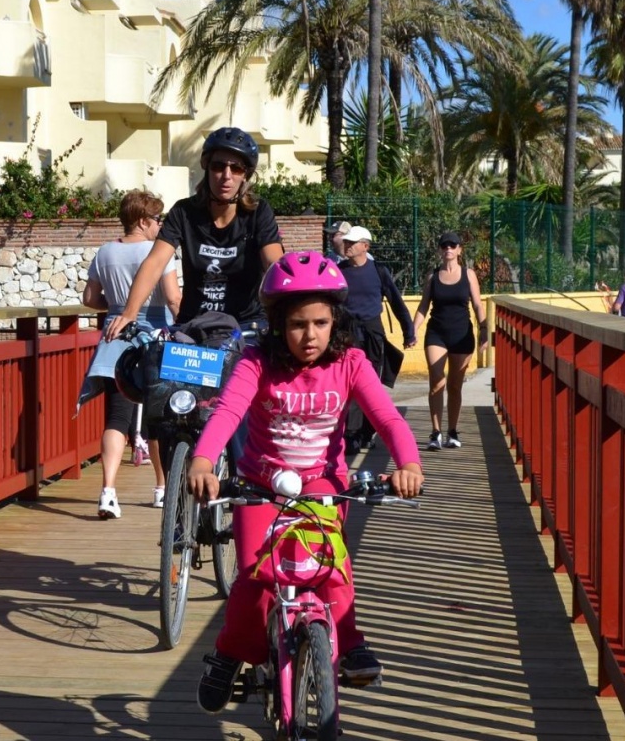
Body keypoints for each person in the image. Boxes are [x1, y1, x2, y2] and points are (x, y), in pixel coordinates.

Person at [185, 251, 424, 713]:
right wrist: (202, 461)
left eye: (320, 322)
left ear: (335, 321)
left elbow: (388, 418)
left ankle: (349, 642)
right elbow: (228, 411)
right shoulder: (256, 362)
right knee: (256, 579)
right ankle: (229, 654)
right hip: (260, 485)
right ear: (278, 325)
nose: (310, 335)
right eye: (297, 324)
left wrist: (408, 464)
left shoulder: (351, 362)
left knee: (331, 567)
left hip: (322, 483)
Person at [103, 127, 285, 342]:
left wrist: (286, 314)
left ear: (245, 175)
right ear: (207, 168)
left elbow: (274, 263)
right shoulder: (183, 212)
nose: (226, 176)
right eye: (218, 166)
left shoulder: (258, 212)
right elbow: (155, 262)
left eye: (236, 168)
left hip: (246, 328)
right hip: (194, 327)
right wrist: (129, 313)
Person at [82, 191, 182, 517]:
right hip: (154, 339)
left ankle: (107, 492)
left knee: (116, 418)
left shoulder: (105, 252)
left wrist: (117, 308)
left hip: (116, 338)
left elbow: (89, 298)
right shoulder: (160, 251)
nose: (160, 225)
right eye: (157, 219)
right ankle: (162, 489)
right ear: (142, 221)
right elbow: (173, 299)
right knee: (158, 418)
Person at [336, 226, 415, 452]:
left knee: (371, 385)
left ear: (365, 246)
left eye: (352, 242)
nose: (347, 246)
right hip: (347, 334)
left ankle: (367, 432)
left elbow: (397, 302)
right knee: (350, 385)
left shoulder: (379, 271)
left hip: (373, 334)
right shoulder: (338, 272)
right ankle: (351, 434)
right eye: (346, 242)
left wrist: (409, 332)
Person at [411, 232, 488, 450]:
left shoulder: (469, 275)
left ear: (459, 250)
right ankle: (435, 432)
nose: (448, 249)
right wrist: (412, 330)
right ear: (440, 249)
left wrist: (484, 330)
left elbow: (478, 304)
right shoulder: (433, 276)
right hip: (436, 333)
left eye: (453, 245)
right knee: (437, 381)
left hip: (462, 335)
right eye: (444, 245)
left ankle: (452, 431)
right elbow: (423, 306)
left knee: (454, 385)